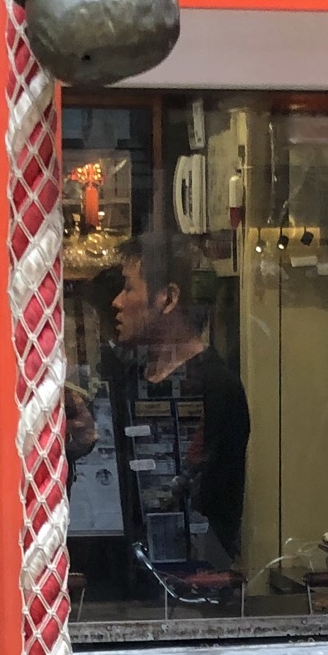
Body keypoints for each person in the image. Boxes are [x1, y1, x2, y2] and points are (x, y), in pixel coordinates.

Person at [101, 234, 249, 573]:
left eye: (128, 288)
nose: (117, 302)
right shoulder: (129, 376)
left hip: (190, 579)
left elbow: (207, 501)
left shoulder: (216, 387)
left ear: (167, 298)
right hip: (127, 577)